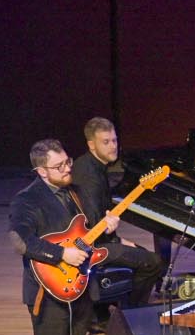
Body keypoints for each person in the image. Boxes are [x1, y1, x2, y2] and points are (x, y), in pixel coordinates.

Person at [7, 139, 102, 335]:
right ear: (41, 171)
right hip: (46, 288)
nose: (67, 168)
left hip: (77, 284)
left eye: (68, 162)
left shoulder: (72, 192)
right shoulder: (26, 200)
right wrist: (61, 256)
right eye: (59, 166)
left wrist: (106, 226)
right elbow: (22, 241)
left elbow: (81, 233)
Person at [68, 117, 165, 311]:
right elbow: (94, 226)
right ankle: (131, 313)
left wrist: (115, 237)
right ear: (91, 145)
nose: (113, 146)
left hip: (97, 239)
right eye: (106, 142)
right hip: (90, 248)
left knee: (141, 252)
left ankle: (109, 307)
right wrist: (116, 240)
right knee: (153, 262)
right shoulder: (89, 177)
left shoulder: (92, 165)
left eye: (114, 140)